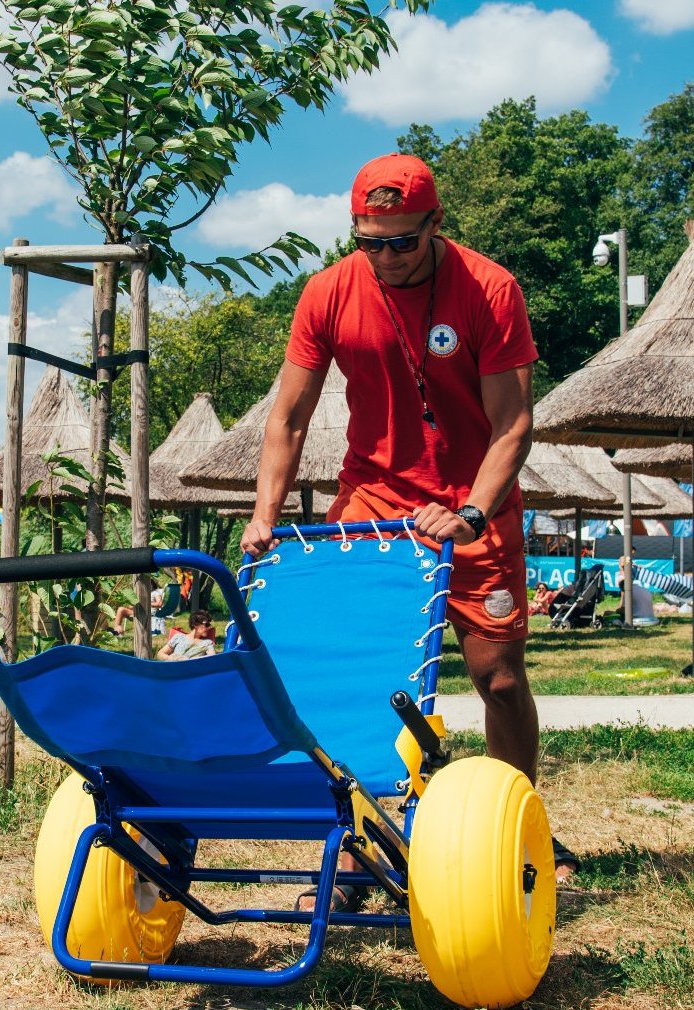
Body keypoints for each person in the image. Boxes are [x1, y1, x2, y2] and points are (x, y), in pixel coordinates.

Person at [240, 152, 575, 911]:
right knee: (362, 677)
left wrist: (470, 514)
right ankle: (364, 846)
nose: (386, 257)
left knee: (498, 676)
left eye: (402, 241)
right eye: (370, 241)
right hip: (374, 502)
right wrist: (265, 514)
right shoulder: (329, 292)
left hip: (471, 502)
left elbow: (513, 423)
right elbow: (288, 418)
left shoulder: (489, 290)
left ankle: (519, 829)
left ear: (435, 225)